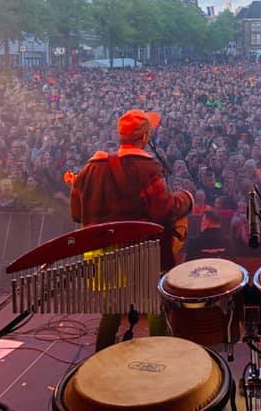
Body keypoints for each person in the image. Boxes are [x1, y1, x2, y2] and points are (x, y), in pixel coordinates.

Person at [70, 109, 193, 350]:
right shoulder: (146, 168)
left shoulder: (92, 167)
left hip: (104, 254)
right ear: (145, 137)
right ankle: (161, 358)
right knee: (155, 309)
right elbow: (163, 210)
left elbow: (76, 213)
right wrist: (186, 198)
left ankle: (100, 359)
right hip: (141, 253)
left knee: (112, 312)